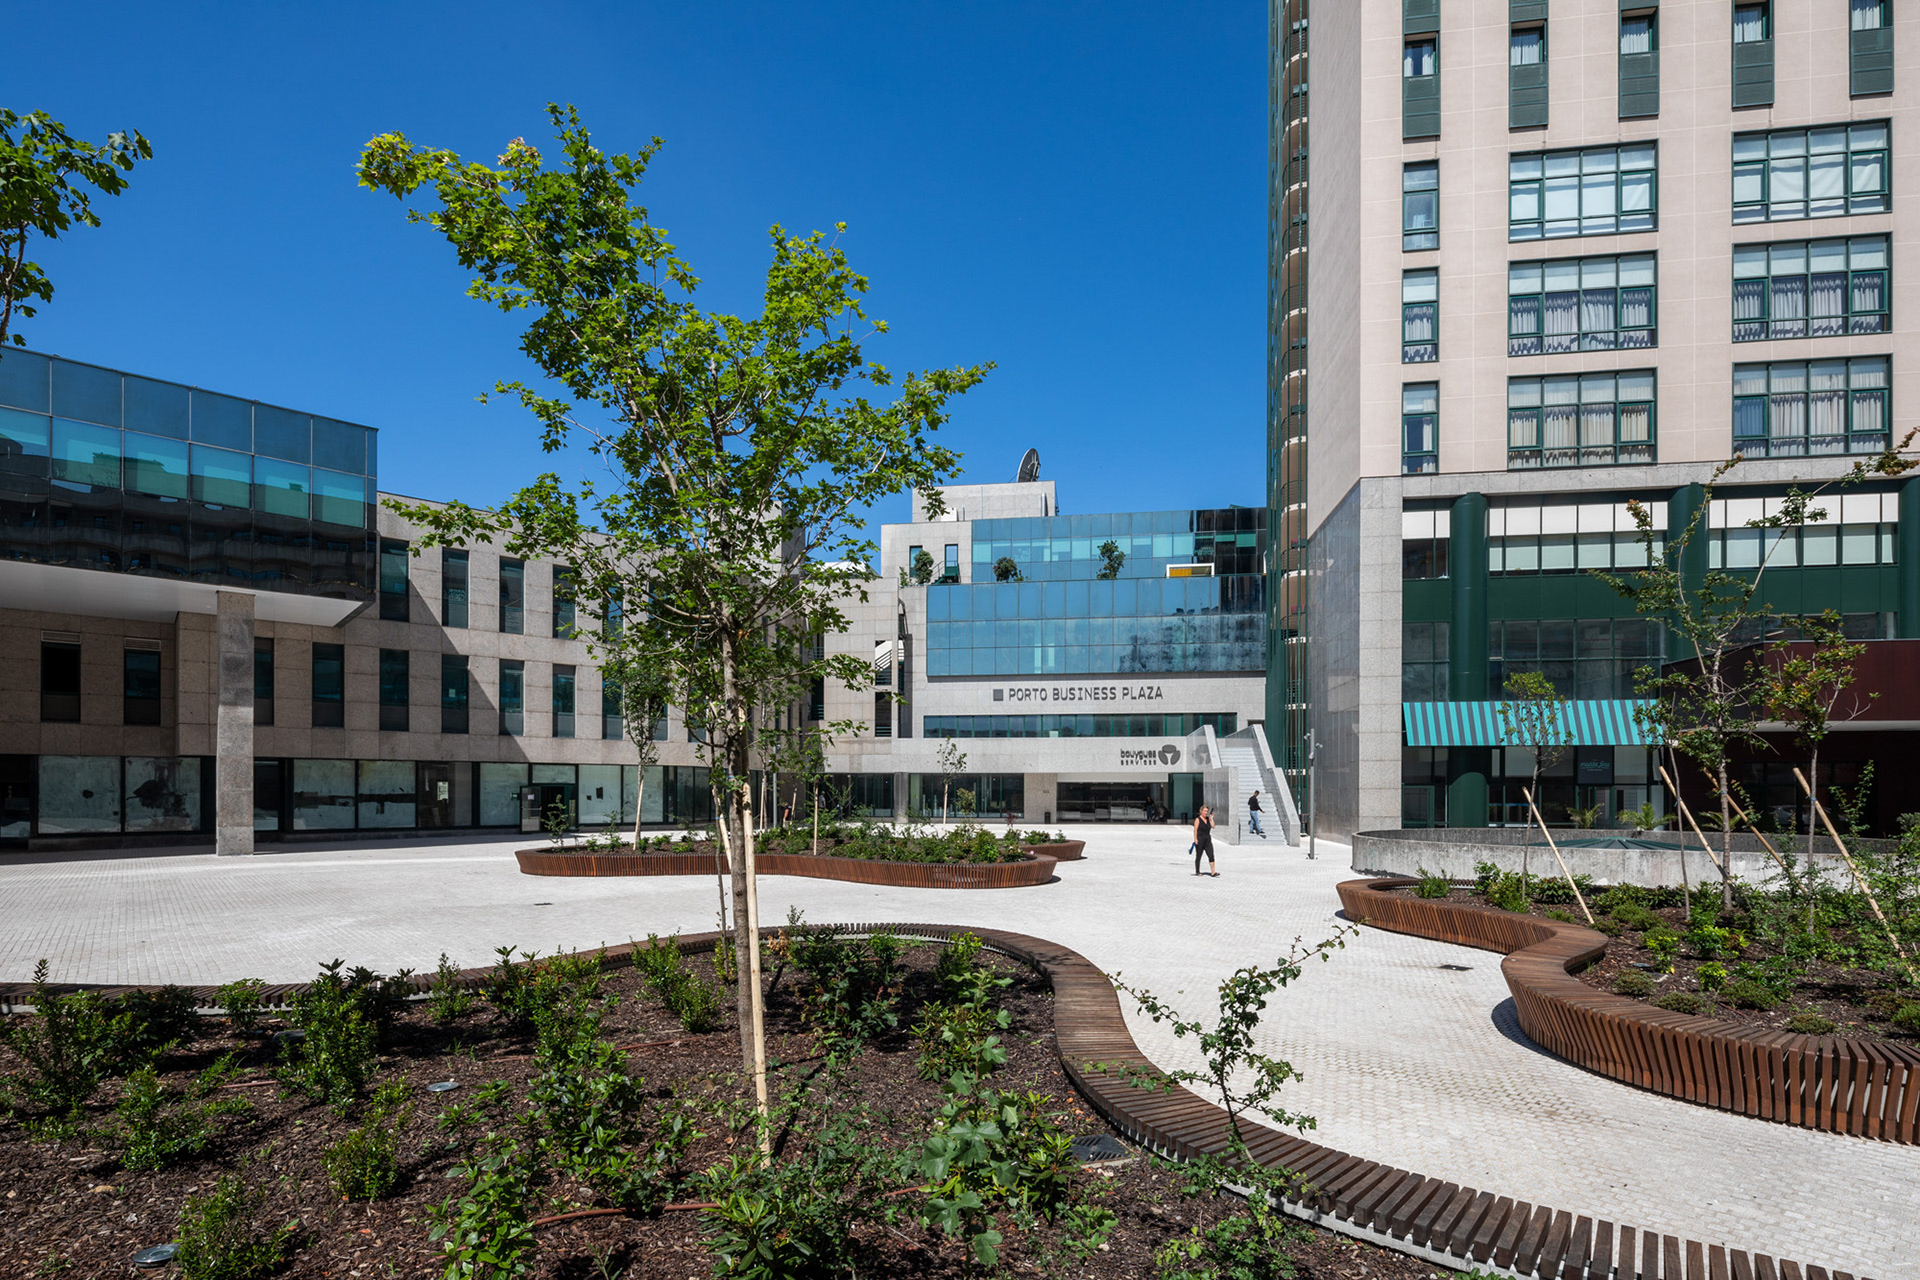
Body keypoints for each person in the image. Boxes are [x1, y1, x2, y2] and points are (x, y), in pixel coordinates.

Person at [1192, 805, 1216, 877]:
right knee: (1199, 856)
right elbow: (1195, 830)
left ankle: (1213, 872)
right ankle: (1197, 871)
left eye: (1207, 811)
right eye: (1204, 811)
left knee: (1211, 855)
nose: (1206, 813)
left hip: (1207, 839)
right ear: (1201, 811)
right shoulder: (1198, 819)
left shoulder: (1208, 819)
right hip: (1200, 839)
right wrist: (1195, 839)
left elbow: (1213, 826)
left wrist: (1211, 819)